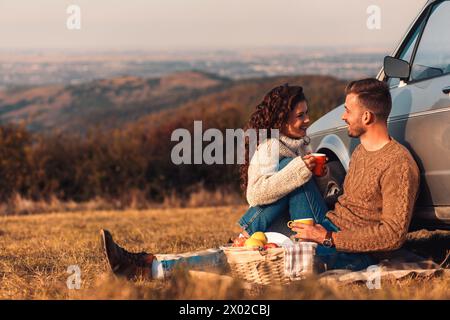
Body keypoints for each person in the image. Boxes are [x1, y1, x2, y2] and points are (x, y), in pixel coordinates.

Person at [101, 79, 420, 279]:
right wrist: (319, 221)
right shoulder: (363, 152)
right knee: (291, 173)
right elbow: (347, 204)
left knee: (253, 256)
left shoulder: (398, 164)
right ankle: (147, 262)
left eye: (348, 110)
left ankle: (151, 268)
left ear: (366, 117)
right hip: (327, 227)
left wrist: (326, 238)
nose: (342, 115)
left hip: (348, 249)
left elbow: (392, 236)